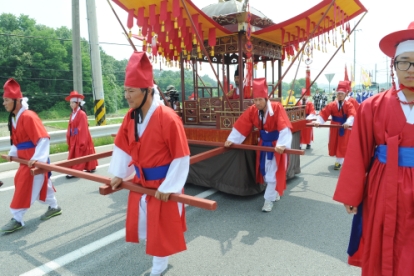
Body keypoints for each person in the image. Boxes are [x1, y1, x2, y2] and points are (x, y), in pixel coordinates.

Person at [333, 22, 414, 276]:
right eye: (404, 62)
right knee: (382, 242)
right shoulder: (372, 106)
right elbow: (358, 150)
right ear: (394, 65)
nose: (411, 69)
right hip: (383, 185)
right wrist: (351, 193)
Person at [108, 52, 190, 276]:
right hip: (141, 181)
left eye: (131, 91)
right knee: (147, 226)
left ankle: (158, 270)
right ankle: (159, 262)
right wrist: (119, 174)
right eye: (125, 90)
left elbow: (181, 156)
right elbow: (124, 146)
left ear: (147, 91)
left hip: (163, 182)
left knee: (159, 230)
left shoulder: (168, 118)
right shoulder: (130, 117)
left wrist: (169, 186)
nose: (127, 96)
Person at [1, 78, 61, 233]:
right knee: (42, 184)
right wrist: (12, 154)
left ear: (16, 101)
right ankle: (54, 207)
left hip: (33, 160)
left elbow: (43, 138)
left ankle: (17, 218)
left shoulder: (28, 116)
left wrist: (38, 160)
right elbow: (17, 141)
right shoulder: (15, 118)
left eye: (6, 100)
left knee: (24, 185)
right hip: (25, 159)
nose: (4, 103)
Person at [224, 78, 292, 212]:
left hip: (275, 144)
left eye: (260, 99)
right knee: (266, 171)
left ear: (266, 98)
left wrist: (282, 144)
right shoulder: (253, 110)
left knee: (273, 172)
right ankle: (274, 192)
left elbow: (285, 126)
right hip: (263, 144)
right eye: (255, 100)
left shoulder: (277, 108)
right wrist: (232, 139)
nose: (257, 103)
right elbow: (242, 124)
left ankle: (268, 200)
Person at [312, 81, 356, 170]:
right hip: (334, 126)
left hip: (344, 127)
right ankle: (340, 159)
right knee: (334, 142)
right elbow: (324, 112)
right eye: (338, 93)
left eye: (341, 94)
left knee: (343, 143)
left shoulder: (349, 104)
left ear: (345, 95)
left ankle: (339, 161)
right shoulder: (332, 104)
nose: (340, 95)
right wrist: (318, 121)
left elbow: (352, 114)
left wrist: (348, 123)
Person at [65, 91, 97, 179]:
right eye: (70, 103)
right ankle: (88, 166)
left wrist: (81, 140)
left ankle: (76, 170)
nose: (71, 104)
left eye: (72, 102)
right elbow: (70, 126)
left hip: (80, 136)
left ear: (77, 103)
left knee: (80, 151)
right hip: (74, 137)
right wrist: (69, 135)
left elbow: (83, 128)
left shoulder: (82, 114)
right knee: (77, 153)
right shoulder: (73, 114)